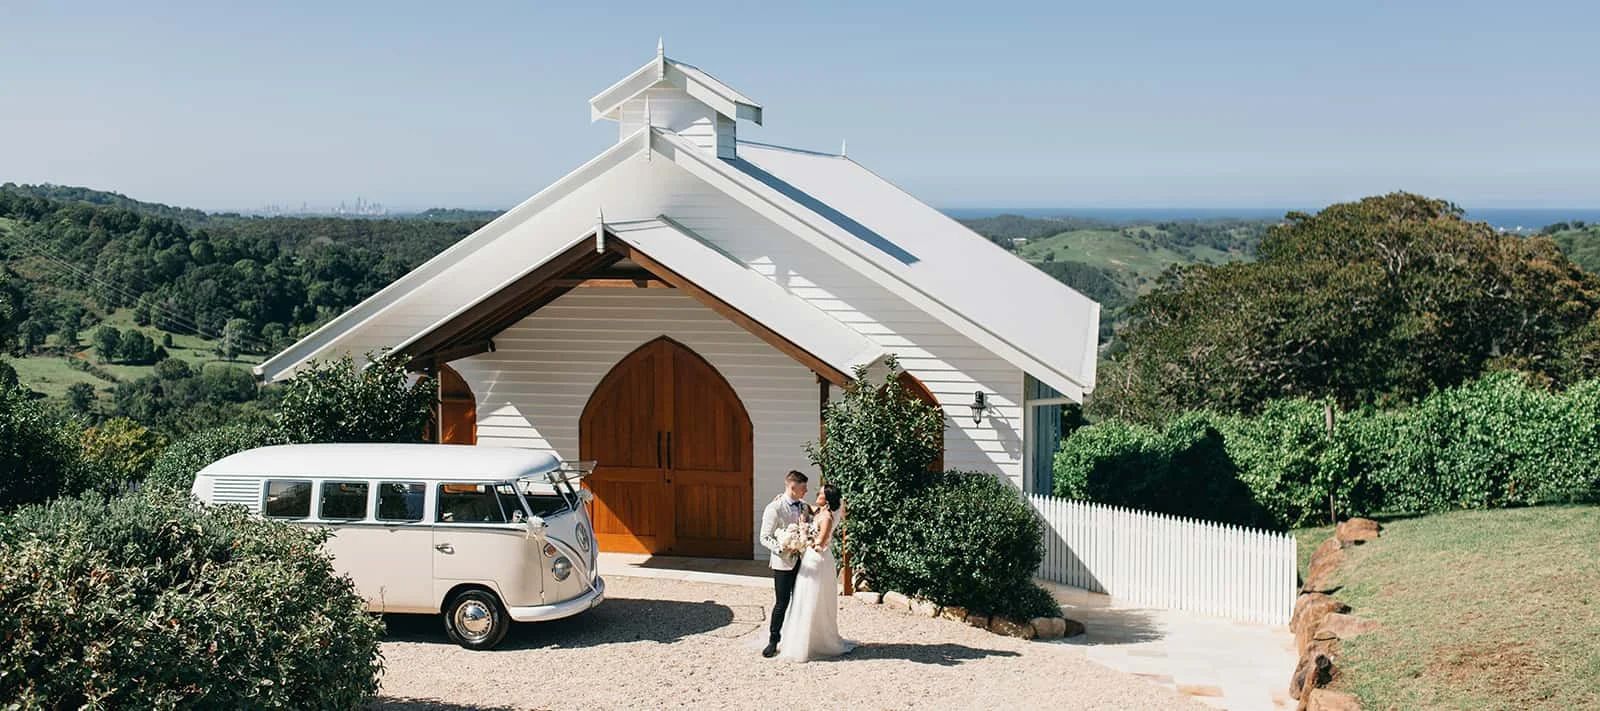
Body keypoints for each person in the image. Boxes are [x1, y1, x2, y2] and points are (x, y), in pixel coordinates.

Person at [775, 483, 855, 661]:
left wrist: (802, 540)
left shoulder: (826, 517)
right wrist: (783, 497)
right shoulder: (818, 510)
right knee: (804, 598)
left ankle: (814, 642)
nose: (816, 494)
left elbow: (821, 542)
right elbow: (804, 505)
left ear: (826, 499)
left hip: (818, 561)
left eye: (820, 493)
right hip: (809, 559)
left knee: (813, 599)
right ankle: (801, 639)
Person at [758, 470, 810, 658]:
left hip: (803, 561)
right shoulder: (775, 507)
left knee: (801, 600)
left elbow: (811, 525)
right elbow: (764, 537)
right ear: (792, 487)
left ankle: (797, 638)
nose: (806, 491)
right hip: (783, 562)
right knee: (782, 603)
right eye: (803, 488)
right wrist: (783, 548)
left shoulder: (804, 507)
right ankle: (773, 640)